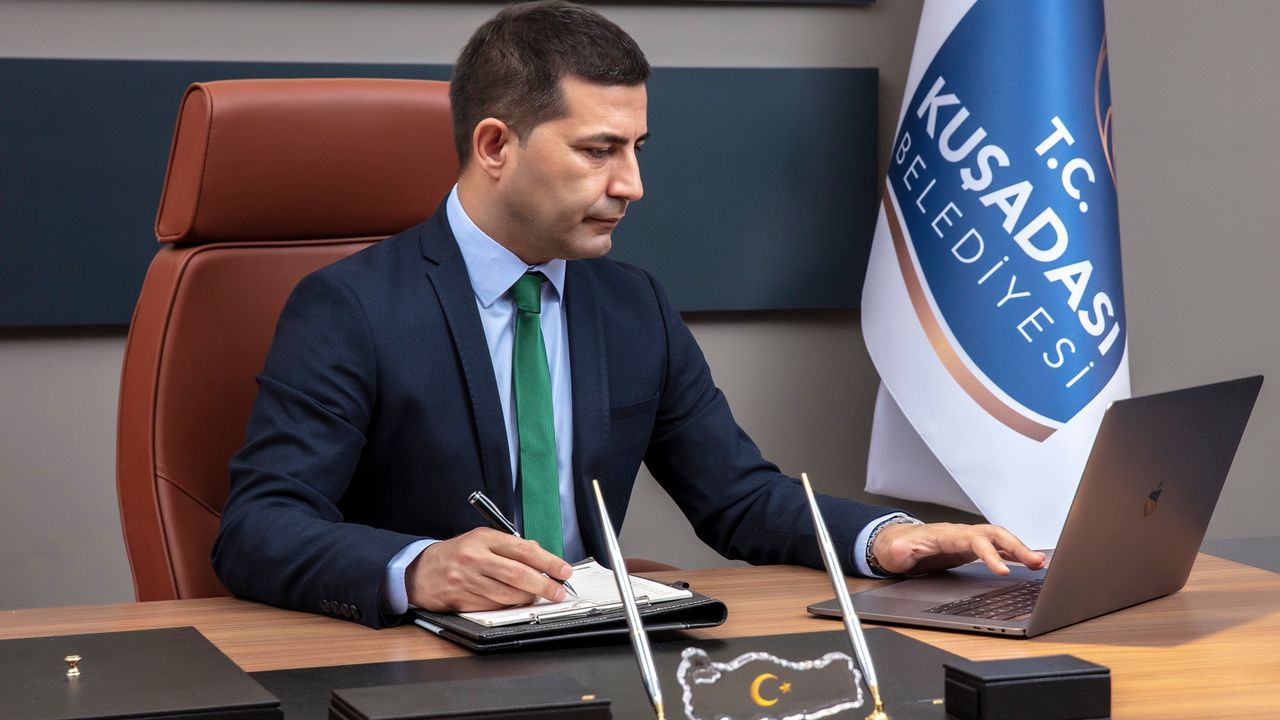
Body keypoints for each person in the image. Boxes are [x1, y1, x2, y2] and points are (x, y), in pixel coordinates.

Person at [212, 0, 1044, 629]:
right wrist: (419, 567)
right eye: (598, 150)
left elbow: (738, 497)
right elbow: (257, 528)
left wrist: (887, 538)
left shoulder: (632, 303)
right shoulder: (349, 306)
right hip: (420, 668)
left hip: (600, 648)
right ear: (495, 146)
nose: (631, 185)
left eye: (636, 149)